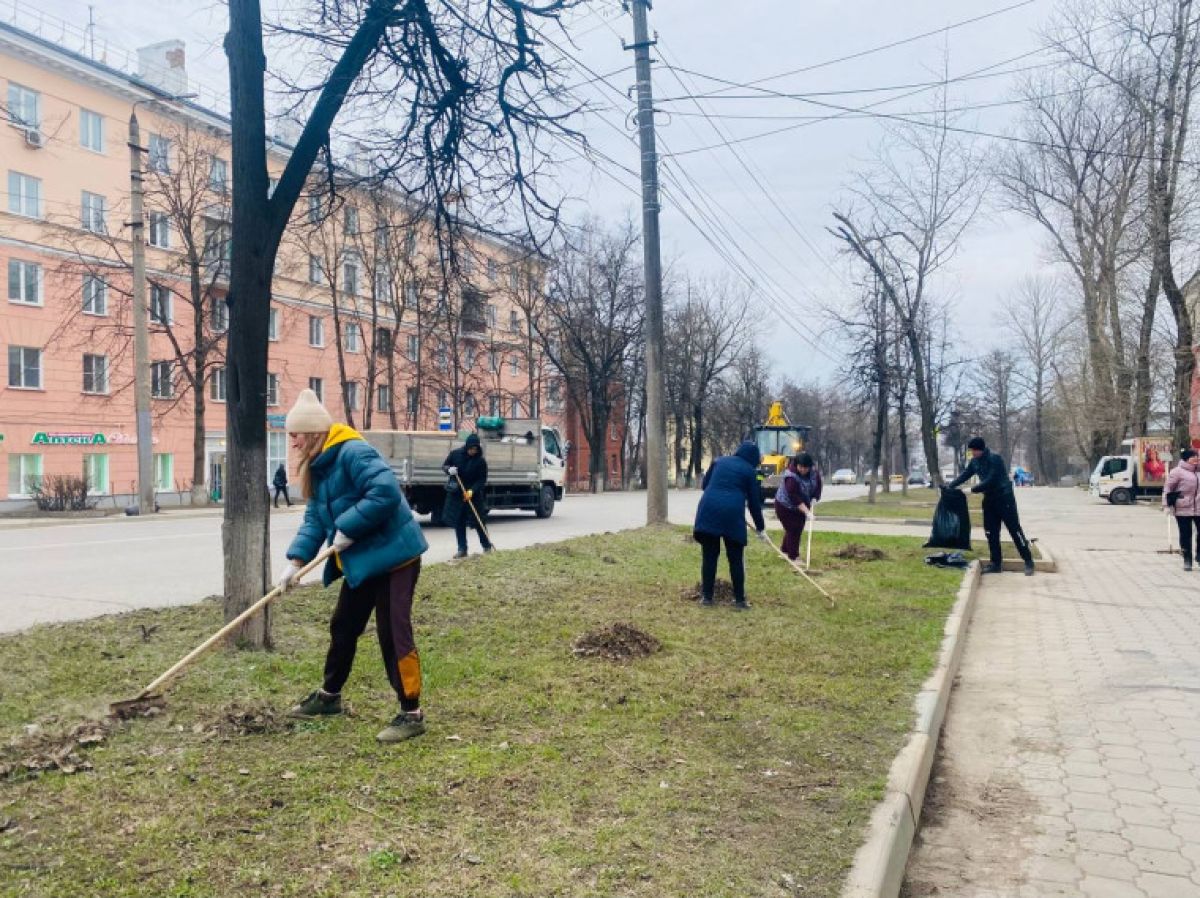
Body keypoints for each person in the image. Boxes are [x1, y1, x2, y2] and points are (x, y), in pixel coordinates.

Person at [275, 389, 430, 743]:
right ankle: (330, 697)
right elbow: (314, 519)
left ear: (313, 432)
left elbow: (386, 492)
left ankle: (412, 713)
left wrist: (347, 526)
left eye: (295, 434)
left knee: (394, 632)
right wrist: (295, 563)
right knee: (344, 624)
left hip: (396, 557)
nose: (293, 442)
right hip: (364, 558)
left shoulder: (353, 452)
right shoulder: (320, 466)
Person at [693, 441, 768, 610]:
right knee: (735, 558)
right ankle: (739, 601)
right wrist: (761, 528)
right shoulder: (750, 472)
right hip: (732, 515)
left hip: (708, 510)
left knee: (709, 556)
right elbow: (754, 503)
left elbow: (705, 485)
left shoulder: (719, 461)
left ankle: (707, 598)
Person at [946, 436, 1034, 576]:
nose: (973, 453)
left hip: (1005, 499)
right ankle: (996, 563)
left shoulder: (995, 459)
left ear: (981, 449)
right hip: (989, 501)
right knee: (991, 533)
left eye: (974, 450)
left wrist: (972, 490)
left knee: (1014, 530)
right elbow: (965, 475)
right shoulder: (975, 462)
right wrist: (949, 486)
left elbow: (991, 480)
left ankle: (1028, 561)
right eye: (971, 451)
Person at [442, 433, 493, 559]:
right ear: (467, 447)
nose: (473, 452)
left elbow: (482, 480)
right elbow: (444, 465)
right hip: (457, 495)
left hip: (473, 496)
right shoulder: (455, 454)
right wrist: (449, 470)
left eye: (475, 449)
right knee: (459, 522)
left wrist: (472, 491)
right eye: (471, 449)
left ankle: (486, 546)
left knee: (478, 521)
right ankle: (462, 549)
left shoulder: (480, 461)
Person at [775, 452, 822, 561]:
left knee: (797, 527)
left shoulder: (814, 473)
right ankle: (794, 556)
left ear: (810, 467)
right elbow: (795, 498)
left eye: (806, 468)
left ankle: (785, 551)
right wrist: (807, 512)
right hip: (784, 506)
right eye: (800, 467)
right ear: (796, 465)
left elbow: (818, 485)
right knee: (793, 529)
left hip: (801, 504)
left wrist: (815, 497)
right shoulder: (791, 477)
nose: (803, 470)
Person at [1163, 448, 1200, 570]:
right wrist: (1166, 505)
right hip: (1183, 508)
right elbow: (1168, 489)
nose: (1196, 458)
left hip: (1199, 507)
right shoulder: (1177, 472)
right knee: (1186, 535)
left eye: (1197, 456)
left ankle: (1199, 556)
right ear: (1186, 458)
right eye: (1193, 457)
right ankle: (1187, 560)